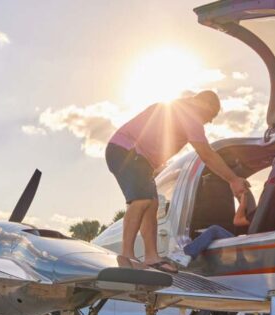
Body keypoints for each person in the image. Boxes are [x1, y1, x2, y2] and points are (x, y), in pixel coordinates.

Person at [105, 90, 249, 273]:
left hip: (139, 158)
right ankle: (126, 256)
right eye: (211, 115)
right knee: (141, 200)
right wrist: (233, 179)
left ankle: (151, 257)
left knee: (152, 204)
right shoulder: (189, 115)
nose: (209, 121)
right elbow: (206, 154)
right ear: (205, 105)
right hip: (126, 150)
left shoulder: (179, 109)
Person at [178, 190, 255, 266]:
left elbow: (237, 221)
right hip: (248, 241)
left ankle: (186, 254)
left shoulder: (257, 213)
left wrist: (243, 203)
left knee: (214, 230)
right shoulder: (258, 212)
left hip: (248, 243)